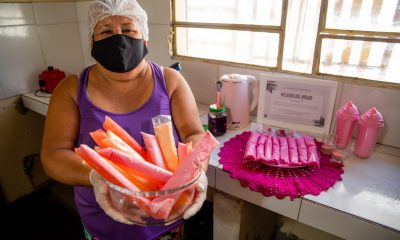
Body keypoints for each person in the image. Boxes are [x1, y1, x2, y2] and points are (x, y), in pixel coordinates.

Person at [40, 0, 208, 239]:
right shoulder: (70, 89)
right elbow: (53, 154)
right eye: (106, 31)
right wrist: (97, 176)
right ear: (92, 41)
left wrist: (195, 171)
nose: (118, 38)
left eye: (128, 29)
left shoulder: (171, 81)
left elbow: (194, 133)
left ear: (145, 38)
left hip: (165, 220)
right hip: (103, 226)